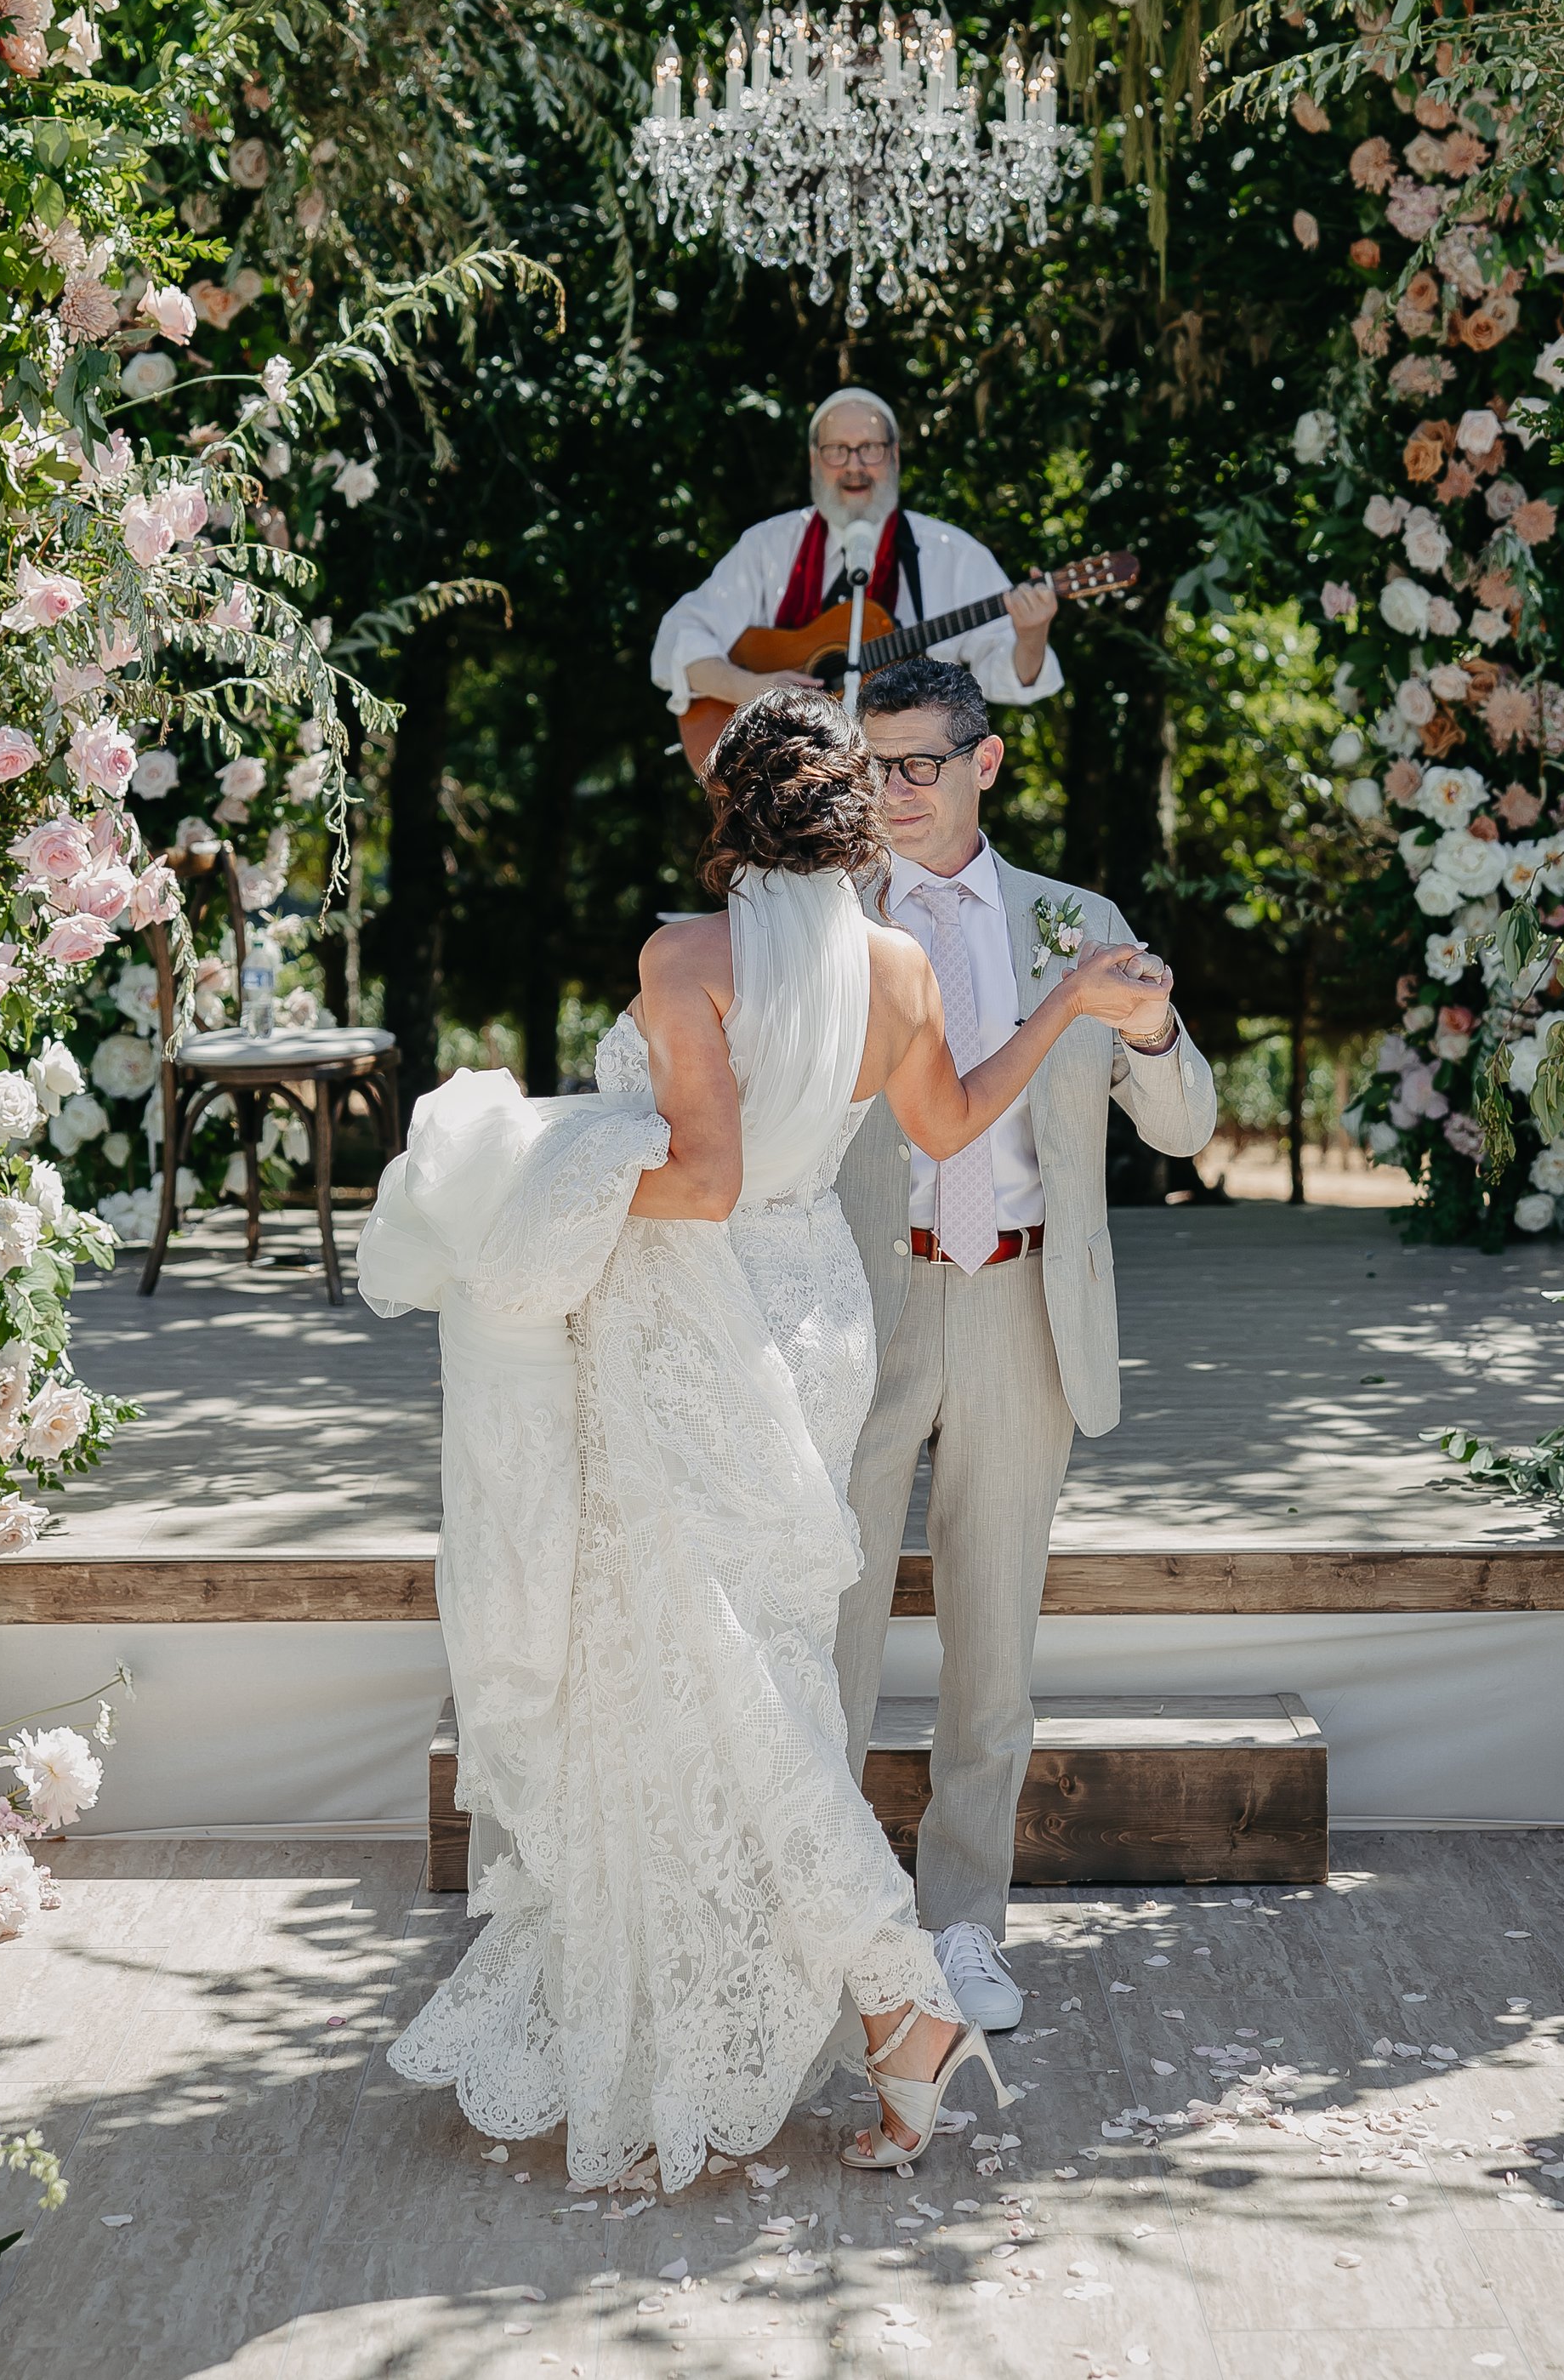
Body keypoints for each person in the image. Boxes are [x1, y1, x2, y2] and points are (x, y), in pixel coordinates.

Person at [357, 689, 1172, 2189]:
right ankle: (812, 2002)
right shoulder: (902, 965)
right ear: (851, 810)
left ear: (729, 807)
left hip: (703, 1322)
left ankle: (895, 1996)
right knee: (755, 1665)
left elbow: (702, 1182)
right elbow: (947, 1130)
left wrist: (536, 1168)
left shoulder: (688, 954)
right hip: (825, 1320)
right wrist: (1058, 1009)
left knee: (723, 1674)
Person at [834, 655, 1218, 2036]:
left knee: (992, 1652)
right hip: (862, 1314)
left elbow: (1184, 1130)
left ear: (986, 763)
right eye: (870, 764)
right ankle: (833, 1934)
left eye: (918, 764)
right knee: (833, 1632)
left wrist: (1159, 1027)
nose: (891, 793)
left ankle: (965, 1930)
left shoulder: (1080, 923)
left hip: (1022, 1310)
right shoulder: (823, 918)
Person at [651, 389, 1061, 725]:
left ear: (895, 457)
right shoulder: (768, 547)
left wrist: (1032, 634)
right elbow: (678, 640)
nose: (854, 467)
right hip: (778, 780)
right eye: (837, 450)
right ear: (815, 461)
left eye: (870, 449)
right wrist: (747, 690)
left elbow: (1012, 678)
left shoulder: (953, 555)